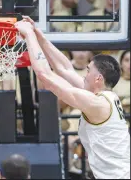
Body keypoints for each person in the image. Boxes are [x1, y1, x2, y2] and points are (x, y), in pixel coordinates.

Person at [14, 16, 130, 179]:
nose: (84, 75)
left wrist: (29, 36)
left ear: (98, 78)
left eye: (88, 71)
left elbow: (45, 75)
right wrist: (39, 36)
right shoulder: (104, 96)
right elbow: (64, 68)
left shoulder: (96, 103)